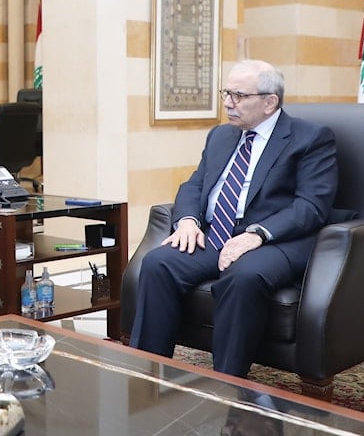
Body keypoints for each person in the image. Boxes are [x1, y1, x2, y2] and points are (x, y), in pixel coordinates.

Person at [129, 60, 338, 377]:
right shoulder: (221, 136)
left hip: (272, 240)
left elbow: (311, 206)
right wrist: (187, 221)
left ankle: (227, 384)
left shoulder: (310, 139)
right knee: (158, 263)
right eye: (227, 93)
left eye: (239, 96)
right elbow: (195, 184)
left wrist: (257, 234)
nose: (228, 103)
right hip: (216, 233)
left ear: (270, 102)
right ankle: (146, 374)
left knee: (243, 276)